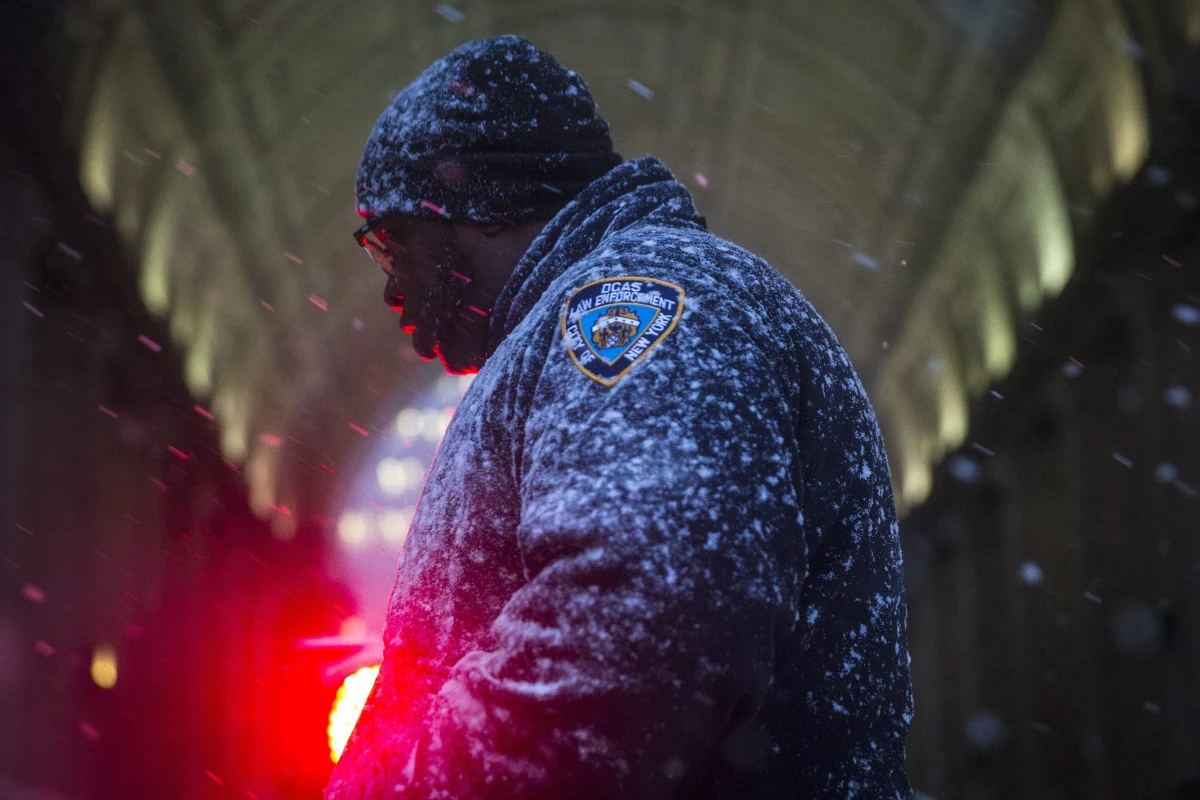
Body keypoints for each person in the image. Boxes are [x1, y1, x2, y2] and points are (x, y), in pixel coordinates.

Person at [327, 34, 913, 799]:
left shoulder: (636, 301)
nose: (387, 284)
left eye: (389, 242)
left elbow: (639, 624)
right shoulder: (608, 313)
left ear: (477, 202)